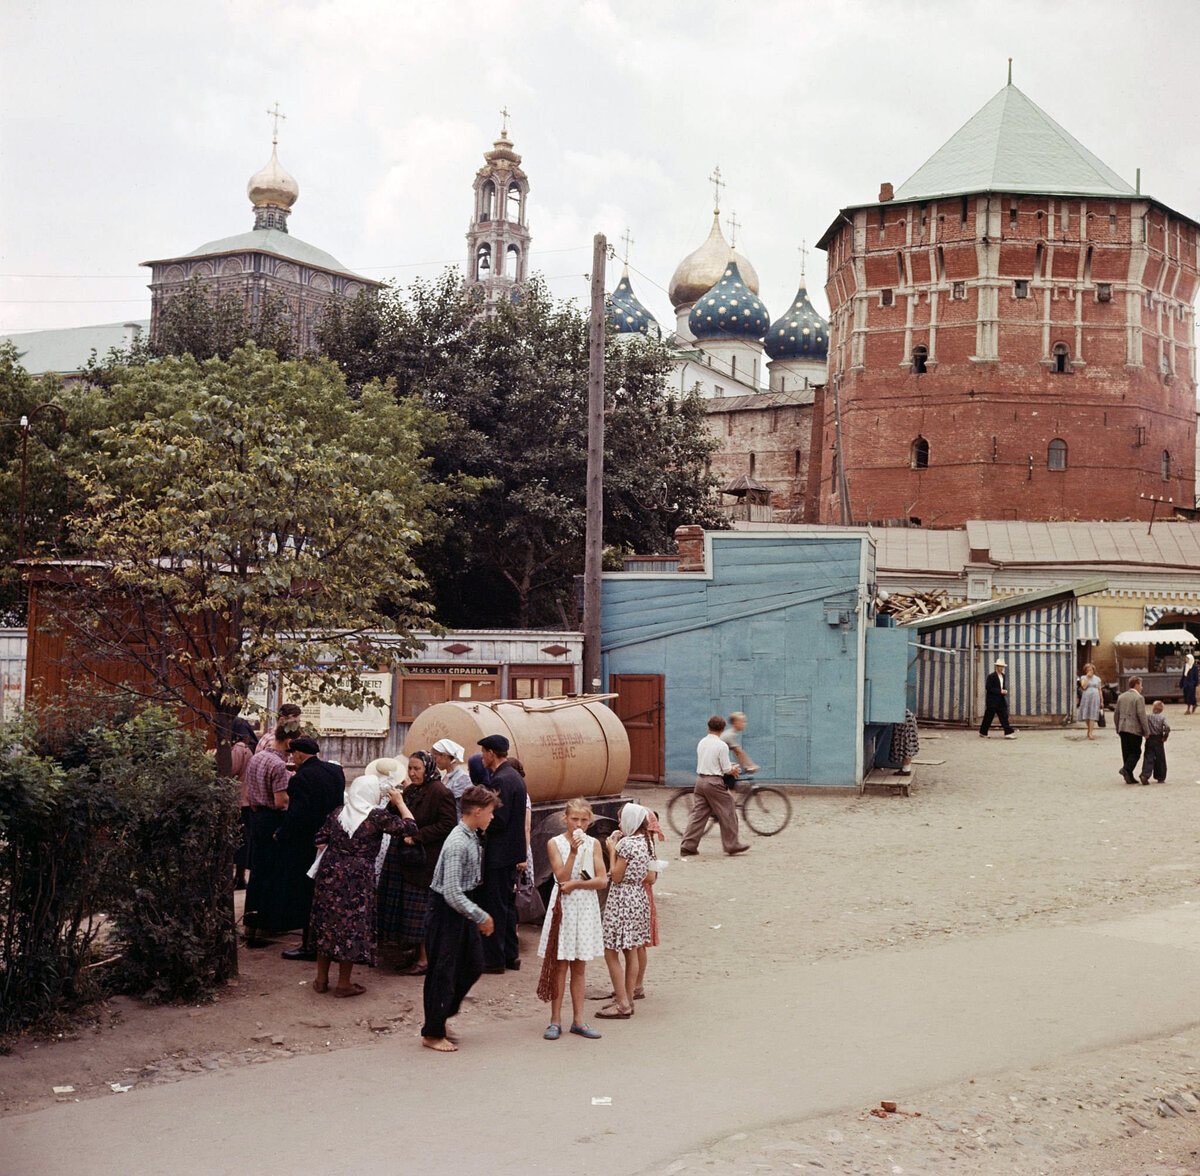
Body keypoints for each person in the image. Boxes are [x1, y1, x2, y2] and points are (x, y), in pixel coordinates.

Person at [310, 774, 418, 998]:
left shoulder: (339, 812)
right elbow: (410, 828)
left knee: (327, 924)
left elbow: (320, 839)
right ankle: (343, 984)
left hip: (330, 873)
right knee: (351, 926)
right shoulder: (376, 816)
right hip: (357, 878)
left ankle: (321, 980)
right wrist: (399, 802)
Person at [421, 784, 499, 1053]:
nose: (492, 817)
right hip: (446, 911)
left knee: (474, 964)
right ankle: (432, 1032)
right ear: (476, 812)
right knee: (442, 972)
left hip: (461, 908)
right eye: (489, 812)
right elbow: (452, 892)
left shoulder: (471, 836)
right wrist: (480, 916)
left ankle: (440, 1018)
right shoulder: (457, 842)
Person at [377, 751, 456, 975]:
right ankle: (413, 953)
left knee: (420, 912)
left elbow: (448, 824)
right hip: (404, 858)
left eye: (417, 769)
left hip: (424, 859)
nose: (412, 773)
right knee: (405, 909)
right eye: (410, 768)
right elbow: (398, 815)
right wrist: (394, 802)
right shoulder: (411, 790)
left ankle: (424, 959)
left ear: (428, 768)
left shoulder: (441, 792)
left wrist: (418, 836)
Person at [537, 798, 607, 1040]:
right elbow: (560, 876)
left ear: (590, 821)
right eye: (574, 819)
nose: (579, 824)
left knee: (579, 966)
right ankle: (555, 1019)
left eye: (584, 820)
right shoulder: (554, 843)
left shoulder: (595, 844)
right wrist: (574, 852)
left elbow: (602, 880)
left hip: (584, 906)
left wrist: (578, 883)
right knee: (560, 965)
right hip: (563, 906)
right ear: (565, 819)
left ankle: (579, 1019)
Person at [278, 737, 347, 961]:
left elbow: (296, 814)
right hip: (332, 839)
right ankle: (326, 942)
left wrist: (282, 833)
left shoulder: (300, 779)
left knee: (306, 894)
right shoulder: (335, 772)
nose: (291, 759)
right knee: (326, 894)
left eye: (292, 755)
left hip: (306, 843)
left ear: (298, 754)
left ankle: (309, 945)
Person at [475, 734, 529, 973]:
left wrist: (479, 825)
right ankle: (510, 955)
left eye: (483, 753)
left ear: (491, 754)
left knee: (495, 905)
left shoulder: (501, 780)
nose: (481, 758)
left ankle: (494, 960)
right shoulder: (512, 776)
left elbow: (498, 819)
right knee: (506, 906)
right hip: (510, 852)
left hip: (499, 853)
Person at [598, 803, 656, 1020]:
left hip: (622, 898)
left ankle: (622, 1002)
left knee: (610, 950)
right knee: (631, 950)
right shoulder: (645, 842)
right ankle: (629, 998)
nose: (620, 824)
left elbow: (617, 875)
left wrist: (611, 851)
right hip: (639, 897)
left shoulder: (625, 845)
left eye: (622, 820)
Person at [241, 726, 292, 947]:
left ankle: (249, 924)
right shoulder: (279, 765)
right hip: (272, 818)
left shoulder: (257, 757)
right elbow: (281, 802)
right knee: (270, 874)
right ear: (288, 741)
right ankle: (263, 926)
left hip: (256, 816)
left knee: (257, 872)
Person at [680, 716, 748, 857]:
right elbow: (725, 768)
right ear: (722, 729)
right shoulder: (721, 745)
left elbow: (710, 762)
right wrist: (734, 769)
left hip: (700, 781)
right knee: (728, 809)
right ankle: (732, 844)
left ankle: (688, 846)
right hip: (714, 782)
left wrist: (729, 767)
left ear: (708, 727)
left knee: (698, 815)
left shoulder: (702, 742)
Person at [230, 729, 255, 890]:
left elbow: (231, 770)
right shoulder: (247, 750)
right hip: (246, 799)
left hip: (239, 799)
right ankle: (239, 877)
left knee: (238, 841)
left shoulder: (238, 749)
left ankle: (238, 878)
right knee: (243, 841)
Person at [1114, 676, 1150, 785]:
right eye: (1141, 685)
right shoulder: (1139, 698)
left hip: (1122, 728)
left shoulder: (1121, 697)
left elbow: (1116, 714)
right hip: (1134, 729)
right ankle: (1126, 769)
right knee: (1136, 752)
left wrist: (1118, 728)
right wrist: (1146, 731)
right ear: (1137, 684)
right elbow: (1142, 716)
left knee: (1126, 752)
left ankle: (1129, 776)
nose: (1142, 688)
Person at [432, 739, 471, 819]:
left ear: (444, 756)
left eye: (436, 757)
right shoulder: (444, 777)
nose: (435, 761)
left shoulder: (462, 778)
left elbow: (462, 809)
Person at [979, 658, 1016, 738]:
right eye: (1000, 666)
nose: (1001, 668)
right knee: (988, 717)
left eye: (1002, 666)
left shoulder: (1003, 676)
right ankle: (983, 732)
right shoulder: (991, 676)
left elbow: (1002, 686)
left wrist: (1004, 690)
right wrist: (1000, 691)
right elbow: (988, 687)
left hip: (1000, 700)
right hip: (992, 701)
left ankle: (1008, 733)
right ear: (997, 666)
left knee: (1004, 716)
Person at [1140, 700, 1171, 784]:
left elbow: (1143, 724)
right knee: (1160, 758)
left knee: (1148, 756)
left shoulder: (1148, 716)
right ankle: (1160, 776)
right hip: (1158, 738)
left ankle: (1145, 774)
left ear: (1153, 708)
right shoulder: (1162, 718)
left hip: (1149, 738)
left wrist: (1144, 733)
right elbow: (1167, 727)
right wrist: (1165, 736)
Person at [1077, 663, 1103, 740]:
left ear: (1093, 670)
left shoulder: (1097, 679)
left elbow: (1100, 690)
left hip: (1095, 698)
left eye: (1091, 670)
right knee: (1086, 714)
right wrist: (1087, 678)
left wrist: (1102, 700)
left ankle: (1090, 733)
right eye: (1088, 670)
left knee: (1092, 714)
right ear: (1086, 671)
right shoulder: (1083, 677)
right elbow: (1084, 686)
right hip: (1086, 698)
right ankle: (1089, 729)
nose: (1090, 671)